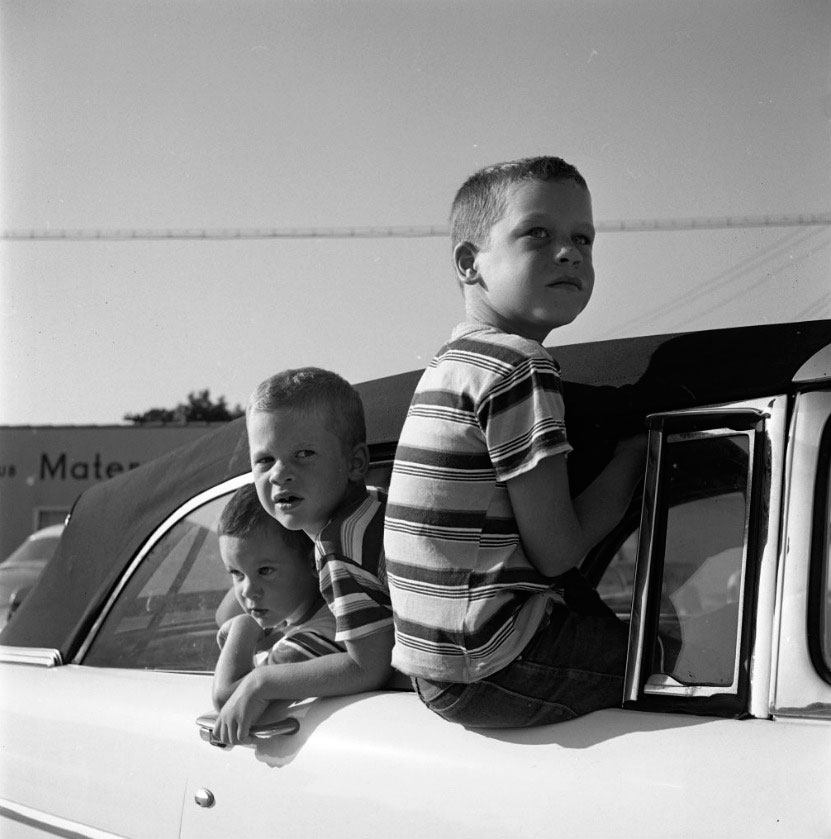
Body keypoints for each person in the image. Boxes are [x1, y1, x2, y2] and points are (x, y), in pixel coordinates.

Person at [384, 156, 647, 729]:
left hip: (437, 668)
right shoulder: (518, 366)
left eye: (583, 238)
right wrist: (635, 458)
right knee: (677, 665)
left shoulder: (453, 364)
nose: (570, 252)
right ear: (468, 263)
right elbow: (558, 550)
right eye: (538, 233)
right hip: (499, 661)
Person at [213, 367, 393, 745]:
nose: (280, 474)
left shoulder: (339, 546)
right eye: (264, 461)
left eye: (304, 454)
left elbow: (367, 666)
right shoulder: (373, 506)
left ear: (356, 463)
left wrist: (259, 676)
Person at [212, 484, 343, 726]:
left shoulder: (314, 640)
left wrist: (244, 627)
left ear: (314, 563)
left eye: (265, 570)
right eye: (236, 573)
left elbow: (227, 697)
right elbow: (222, 616)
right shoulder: (293, 614)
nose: (248, 591)